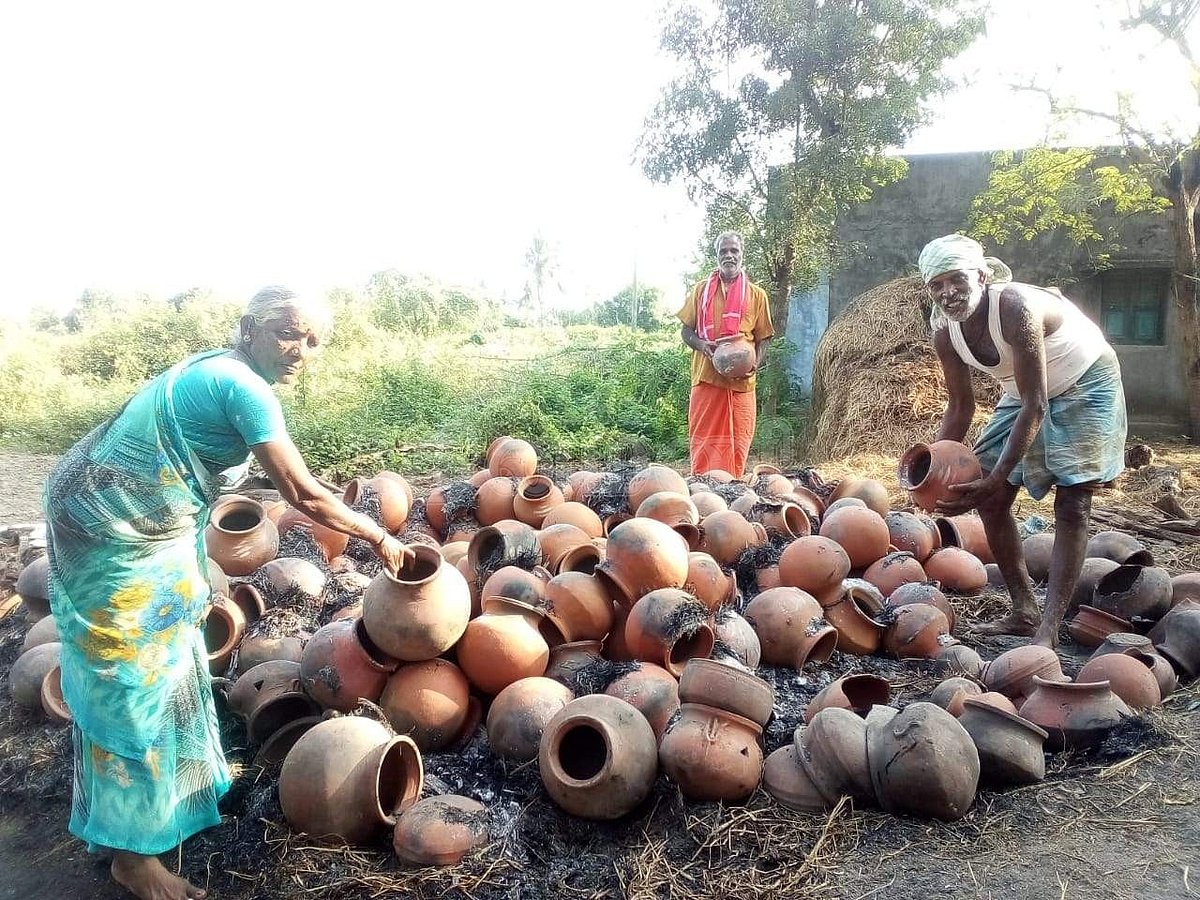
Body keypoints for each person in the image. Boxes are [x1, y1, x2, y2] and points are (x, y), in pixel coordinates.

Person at [43, 286, 412, 900]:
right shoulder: (243, 387)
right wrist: (380, 537)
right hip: (110, 527)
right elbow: (303, 494)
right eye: (288, 333)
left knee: (175, 641)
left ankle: (167, 799)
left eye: (313, 340)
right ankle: (133, 858)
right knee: (134, 671)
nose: (301, 350)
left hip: (135, 520)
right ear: (249, 328)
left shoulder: (220, 368)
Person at [919, 234, 1127, 647]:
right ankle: (1024, 611)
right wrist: (932, 469)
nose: (948, 292)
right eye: (936, 285)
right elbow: (960, 406)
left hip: (1086, 379)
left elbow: (1036, 407)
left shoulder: (1014, 307)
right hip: (1025, 391)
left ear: (981, 276)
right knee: (990, 497)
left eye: (956, 279)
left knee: (1073, 501)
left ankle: (1049, 628)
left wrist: (996, 476)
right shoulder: (945, 332)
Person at [676, 230, 775, 479]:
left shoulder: (757, 295)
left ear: (742, 255)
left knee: (739, 441)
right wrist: (702, 345)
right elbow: (686, 330)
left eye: (734, 251)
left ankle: (733, 488)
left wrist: (755, 363)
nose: (729, 255)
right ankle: (703, 489)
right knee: (704, 441)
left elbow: (764, 338)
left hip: (742, 384)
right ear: (717, 255)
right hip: (706, 378)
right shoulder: (700, 291)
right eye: (723, 251)